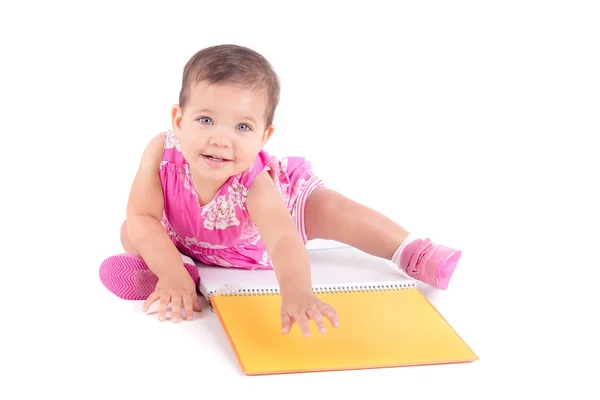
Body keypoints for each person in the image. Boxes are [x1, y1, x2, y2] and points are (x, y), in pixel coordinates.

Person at [99, 44, 462, 337]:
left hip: (259, 237)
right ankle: (179, 273)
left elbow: (284, 240)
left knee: (333, 210)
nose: (221, 139)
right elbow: (144, 215)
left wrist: (297, 292)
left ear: (264, 137)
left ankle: (410, 252)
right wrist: (171, 272)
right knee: (132, 230)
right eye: (206, 120)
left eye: (242, 126)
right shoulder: (161, 151)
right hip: (190, 239)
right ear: (179, 120)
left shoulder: (256, 182)